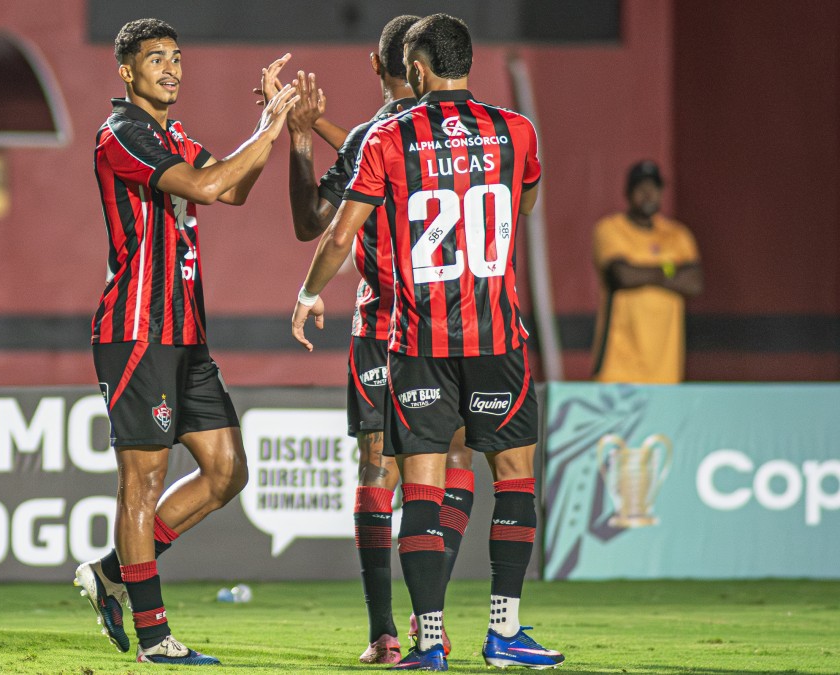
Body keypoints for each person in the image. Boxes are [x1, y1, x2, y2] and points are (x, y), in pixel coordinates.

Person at [291, 14, 564, 670]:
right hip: (498, 333)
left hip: (420, 339)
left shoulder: (390, 134)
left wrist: (307, 293)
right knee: (515, 476)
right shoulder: (516, 131)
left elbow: (334, 234)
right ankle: (505, 630)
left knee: (421, 485)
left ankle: (429, 641)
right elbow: (526, 205)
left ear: (414, 70)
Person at [73, 18, 299, 667]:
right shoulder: (123, 133)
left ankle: (112, 573)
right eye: (155, 60)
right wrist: (266, 132)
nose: (171, 69)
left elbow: (234, 187)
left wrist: (270, 130)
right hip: (137, 332)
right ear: (126, 71)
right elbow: (205, 185)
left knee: (228, 469)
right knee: (141, 484)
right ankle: (153, 637)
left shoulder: (171, 135)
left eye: (176, 58)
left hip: (186, 332)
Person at [281, 15, 479, 665]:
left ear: (378, 64)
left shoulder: (380, 135)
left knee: (380, 469)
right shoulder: (476, 133)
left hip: (384, 329)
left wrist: (303, 141)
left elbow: (315, 223)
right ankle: (433, 621)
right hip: (463, 324)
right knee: (455, 461)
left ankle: (386, 630)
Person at [591, 161, 702, 383]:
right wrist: (671, 269)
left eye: (654, 187)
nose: (648, 194)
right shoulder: (610, 229)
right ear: (628, 192)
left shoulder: (677, 235)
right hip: (618, 367)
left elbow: (694, 283)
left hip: (666, 371)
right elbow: (623, 275)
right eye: (641, 187)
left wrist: (642, 270)